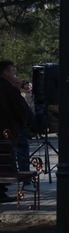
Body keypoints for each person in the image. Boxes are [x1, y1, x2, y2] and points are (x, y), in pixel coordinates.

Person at [0, 60, 28, 202]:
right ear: (5, 73)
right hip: (7, 131)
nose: (14, 74)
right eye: (12, 71)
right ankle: (1, 191)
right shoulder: (9, 89)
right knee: (5, 160)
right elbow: (20, 111)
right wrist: (22, 123)